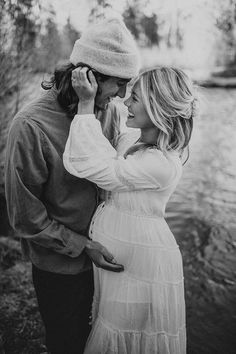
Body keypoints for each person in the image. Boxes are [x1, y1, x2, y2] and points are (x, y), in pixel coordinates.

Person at [4, 18, 140, 354]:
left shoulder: (110, 112)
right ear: (88, 78)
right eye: (119, 84)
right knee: (67, 342)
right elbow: (25, 217)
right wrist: (82, 245)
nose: (123, 95)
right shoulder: (30, 126)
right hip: (60, 267)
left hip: (107, 259)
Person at [63, 65, 198, 353]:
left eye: (134, 98)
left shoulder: (161, 164)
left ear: (157, 107)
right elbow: (107, 146)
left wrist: (86, 104)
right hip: (123, 255)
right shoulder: (132, 140)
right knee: (114, 325)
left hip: (142, 261)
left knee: (125, 334)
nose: (125, 103)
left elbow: (94, 166)